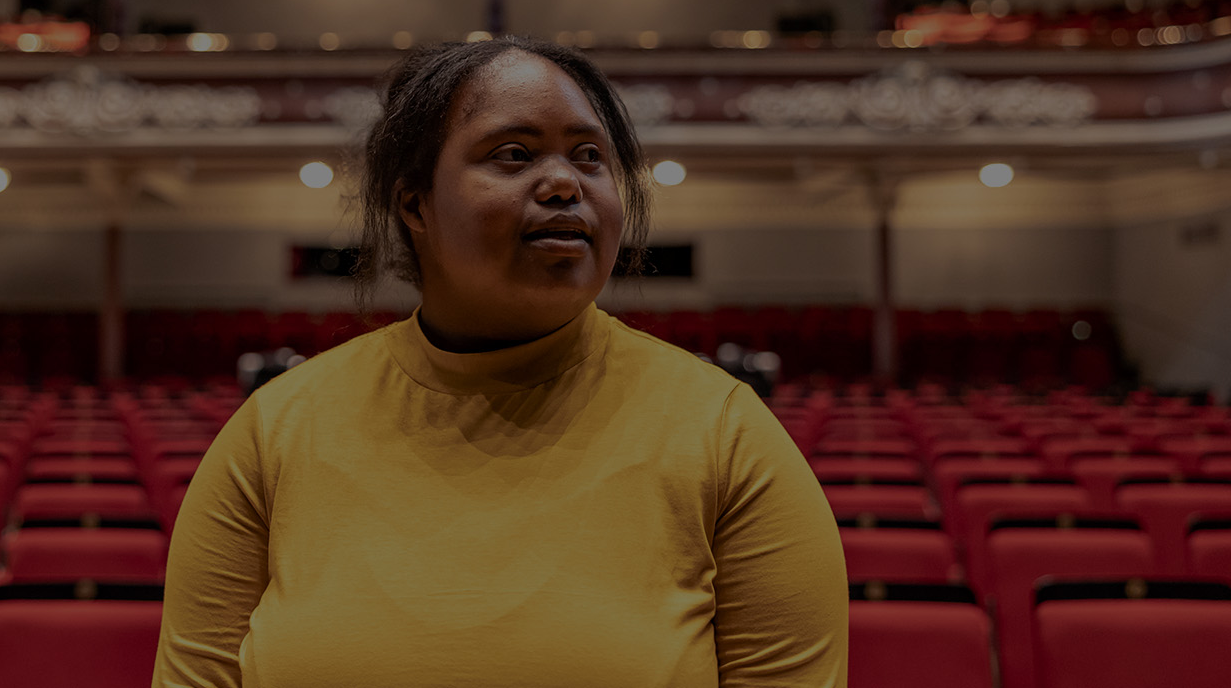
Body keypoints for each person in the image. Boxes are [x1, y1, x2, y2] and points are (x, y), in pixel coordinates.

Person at [153, 36, 847, 688]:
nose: (563, 183)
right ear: (414, 203)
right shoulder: (273, 432)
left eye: (589, 156)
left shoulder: (728, 433)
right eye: (514, 155)